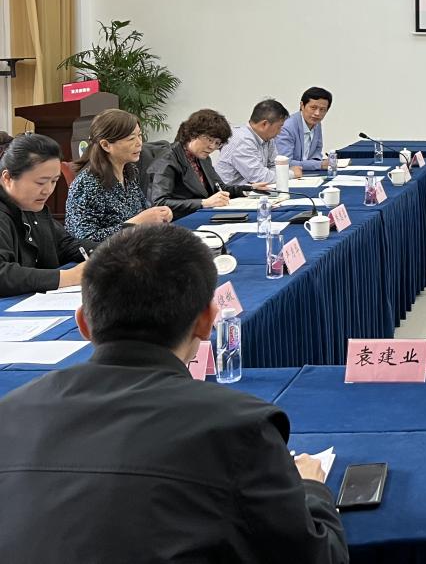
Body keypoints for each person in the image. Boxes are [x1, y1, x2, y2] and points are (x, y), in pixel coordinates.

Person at [0, 225, 349, 562]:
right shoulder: (239, 429)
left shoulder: (10, 413)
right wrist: (311, 488)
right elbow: (319, 556)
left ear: (83, 324)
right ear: (207, 321)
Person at [0, 133, 93, 296]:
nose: (48, 190)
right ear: (7, 178)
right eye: (40, 182)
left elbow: (66, 245)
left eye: (54, 181)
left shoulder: (33, 207)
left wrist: (113, 253)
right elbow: (3, 274)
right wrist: (68, 277)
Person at [64, 108, 172, 243]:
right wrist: (136, 223)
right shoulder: (86, 185)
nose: (139, 143)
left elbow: (143, 211)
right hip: (106, 255)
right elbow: (85, 241)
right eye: (131, 138)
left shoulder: (130, 172)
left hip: (134, 247)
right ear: (106, 145)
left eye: (139, 135)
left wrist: (159, 214)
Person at [147, 109, 255, 219]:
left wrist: (250, 189)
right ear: (193, 134)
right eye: (209, 140)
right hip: (178, 220)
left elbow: (219, 188)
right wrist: (204, 203)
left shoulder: (203, 158)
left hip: (202, 215)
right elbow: (159, 203)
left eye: (217, 143)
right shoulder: (167, 159)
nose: (212, 147)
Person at [215, 99, 290, 187]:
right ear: (264, 124)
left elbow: (275, 166)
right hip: (230, 193)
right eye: (279, 127)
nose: (280, 132)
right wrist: (291, 173)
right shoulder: (241, 140)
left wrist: (275, 174)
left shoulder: (268, 138)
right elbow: (260, 178)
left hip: (252, 190)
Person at [275, 86, 333, 174]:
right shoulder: (287, 127)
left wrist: (318, 162)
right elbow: (285, 162)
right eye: (313, 108)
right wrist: (319, 164)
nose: (317, 113)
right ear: (302, 105)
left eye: (322, 109)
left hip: (308, 173)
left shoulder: (317, 124)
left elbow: (317, 151)